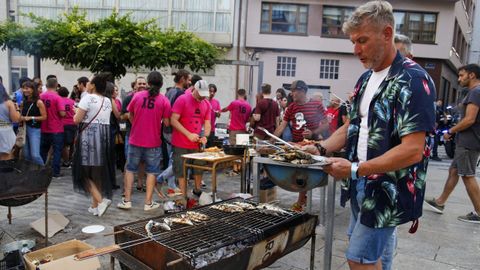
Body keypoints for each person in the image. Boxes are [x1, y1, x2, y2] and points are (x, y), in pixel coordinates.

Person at [301, 2, 436, 269]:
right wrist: (320, 148)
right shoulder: (365, 79)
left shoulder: (413, 80)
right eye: (353, 41)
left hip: (388, 189)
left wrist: (355, 168)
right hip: (360, 182)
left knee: (358, 258)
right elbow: (352, 126)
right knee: (375, 254)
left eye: (362, 40)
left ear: (387, 34)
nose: (356, 50)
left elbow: (413, 150)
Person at [425, 64, 480, 223]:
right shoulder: (474, 92)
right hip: (467, 141)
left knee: (467, 175)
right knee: (454, 171)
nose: (459, 78)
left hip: (469, 142)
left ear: (472, 75)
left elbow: (470, 119)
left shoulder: (475, 92)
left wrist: (451, 131)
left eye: (462, 75)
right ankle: (440, 202)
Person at [117, 71, 171, 211]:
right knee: (152, 172)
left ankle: (127, 200)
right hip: (153, 141)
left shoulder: (137, 96)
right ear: (161, 84)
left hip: (135, 139)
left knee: (130, 169)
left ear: (148, 82)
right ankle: (148, 203)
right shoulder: (164, 100)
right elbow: (166, 123)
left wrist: (136, 124)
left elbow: (129, 114)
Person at [273, 80, 328, 212]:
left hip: (314, 145)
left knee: (306, 172)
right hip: (298, 144)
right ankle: (302, 199)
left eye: (293, 91)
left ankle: (301, 200)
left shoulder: (316, 104)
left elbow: (326, 124)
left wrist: (313, 133)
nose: (291, 93)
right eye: (291, 91)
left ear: (302, 91)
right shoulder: (291, 107)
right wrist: (272, 139)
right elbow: (282, 125)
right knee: (299, 172)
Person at [72, 72, 114, 217]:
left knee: (83, 173)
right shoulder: (107, 100)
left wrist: (75, 112)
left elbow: (76, 120)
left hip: (88, 139)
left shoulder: (87, 98)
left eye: (89, 81)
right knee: (96, 173)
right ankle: (95, 206)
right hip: (103, 139)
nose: (87, 84)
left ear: (93, 85)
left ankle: (100, 201)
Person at [170, 80, 211, 200]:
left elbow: (207, 123)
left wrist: (205, 136)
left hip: (196, 144)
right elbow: (173, 120)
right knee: (181, 169)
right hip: (180, 142)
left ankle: (197, 190)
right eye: (200, 93)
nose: (202, 96)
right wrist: (188, 134)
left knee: (199, 167)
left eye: (204, 94)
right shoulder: (182, 99)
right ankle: (183, 195)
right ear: (195, 89)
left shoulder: (206, 104)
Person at [121, 76, 148, 192]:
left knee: (143, 161)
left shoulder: (149, 98)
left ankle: (140, 184)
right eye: (139, 83)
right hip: (131, 134)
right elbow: (121, 116)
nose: (142, 85)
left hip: (145, 135)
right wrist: (130, 115)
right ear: (135, 85)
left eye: (143, 83)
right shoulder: (128, 98)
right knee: (129, 160)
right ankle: (127, 187)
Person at [221, 88, 252, 175]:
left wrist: (219, 110)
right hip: (243, 130)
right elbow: (248, 119)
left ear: (237, 94)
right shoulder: (249, 106)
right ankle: (241, 168)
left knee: (234, 150)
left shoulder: (234, 103)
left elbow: (226, 109)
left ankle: (235, 169)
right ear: (245, 94)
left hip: (234, 130)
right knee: (242, 151)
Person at [40, 78, 66, 177]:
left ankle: (41, 171)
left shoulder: (40, 96)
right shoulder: (58, 98)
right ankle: (55, 172)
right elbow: (62, 113)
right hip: (56, 129)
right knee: (57, 151)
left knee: (43, 151)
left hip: (43, 128)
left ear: (46, 85)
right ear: (56, 85)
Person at [20, 81, 47, 165]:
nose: (24, 90)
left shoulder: (39, 102)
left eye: (27, 88)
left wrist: (31, 118)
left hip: (34, 130)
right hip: (24, 129)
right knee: (26, 155)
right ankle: (31, 175)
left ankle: (44, 172)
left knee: (35, 155)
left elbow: (44, 117)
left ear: (32, 90)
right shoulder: (23, 102)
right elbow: (21, 115)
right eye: (23, 88)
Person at [0, 83, 21, 161]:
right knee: (6, 156)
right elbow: (15, 119)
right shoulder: (8, 103)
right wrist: (18, 110)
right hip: (5, 131)